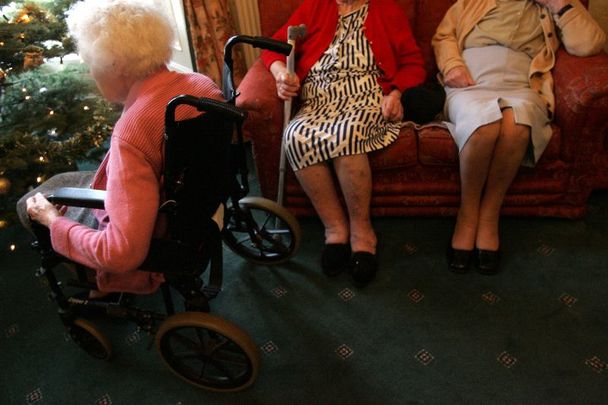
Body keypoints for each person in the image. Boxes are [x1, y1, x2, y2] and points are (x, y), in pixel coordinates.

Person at [17, 0, 224, 296]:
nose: (91, 74)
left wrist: (53, 221)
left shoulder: (131, 133)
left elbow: (122, 252)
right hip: (196, 205)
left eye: (91, 64)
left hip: (162, 228)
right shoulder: (200, 84)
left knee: (29, 208)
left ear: (115, 66)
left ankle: (99, 283)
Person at [262, 0, 428, 287]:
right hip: (318, 98)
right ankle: (335, 228)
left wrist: (396, 94)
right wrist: (281, 75)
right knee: (294, 136)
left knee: (348, 136)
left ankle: (362, 232)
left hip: (364, 96)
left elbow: (414, 63)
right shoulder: (315, 7)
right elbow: (274, 48)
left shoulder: (387, 9)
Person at [432, 0, 606, 274]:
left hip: (522, 85)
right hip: (472, 83)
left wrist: (557, 4)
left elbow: (589, 44)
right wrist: (453, 67)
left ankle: (489, 215)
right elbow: (444, 35)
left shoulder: (551, 6)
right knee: (483, 128)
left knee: (517, 125)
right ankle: (467, 215)